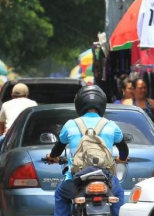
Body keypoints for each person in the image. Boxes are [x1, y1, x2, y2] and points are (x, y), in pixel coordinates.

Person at [46, 85, 129, 216]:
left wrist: (51, 157)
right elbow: (124, 151)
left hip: (77, 179)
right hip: (106, 177)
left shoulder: (70, 125)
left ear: (78, 104)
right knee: (118, 193)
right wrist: (122, 159)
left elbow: (57, 151)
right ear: (102, 103)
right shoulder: (111, 126)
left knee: (60, 194)